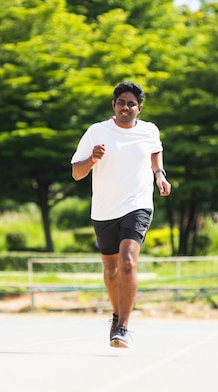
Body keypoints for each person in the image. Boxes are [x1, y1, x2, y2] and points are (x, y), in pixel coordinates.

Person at [70, 81, 171, 348]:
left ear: (139, 107)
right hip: (104, 209)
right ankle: (116, 316)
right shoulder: (96, 132)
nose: (126, 107)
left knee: (128, 261)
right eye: (121, 103)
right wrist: (91, 160)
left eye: (131, 103)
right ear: (114, 106)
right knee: (111, 268)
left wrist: (159, 174)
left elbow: (155, 149)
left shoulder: (149, 130)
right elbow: (76, 173)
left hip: (138, 204)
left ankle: (124, 327)